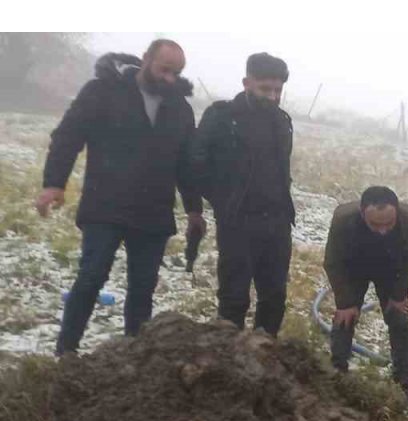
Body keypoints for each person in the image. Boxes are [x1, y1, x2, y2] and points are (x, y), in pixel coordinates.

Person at [36, 40, 202, 356]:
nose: (170, 78)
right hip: (105, 204)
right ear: (145, 60)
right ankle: (65, 353)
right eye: (164, 69)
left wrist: (194, 209)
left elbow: (186, 163)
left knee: (142, 289)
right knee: (91, 277)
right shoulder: (102, 91)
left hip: (153, 212)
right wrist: (54, 183)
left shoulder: (179, 108)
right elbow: (68, 136)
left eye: (176, 73)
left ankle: (134, 360)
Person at [191, 52, 295, 337]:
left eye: (278, 90)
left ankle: (264, 354)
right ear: (246, 82)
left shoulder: (282, 121)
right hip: (238, 221)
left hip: (276, 222)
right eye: (265, 89)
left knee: (274, 297)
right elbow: (196, 162)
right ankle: (228, 360)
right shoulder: (222, 116)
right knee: (234, 297)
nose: (273, 96)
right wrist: (221, 200)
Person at [323, 187, 408, 396]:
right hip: (354, 267)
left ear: (396, 211)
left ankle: (403, 382)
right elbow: (333, 262)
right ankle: (337, 374)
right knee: (345, 318)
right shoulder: (343, 219)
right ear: (362, 213)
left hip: (392, 269)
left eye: (389, 224)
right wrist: (345, 302)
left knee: (398, 319)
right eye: (375, 224)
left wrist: (398, 296)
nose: (383, 230)